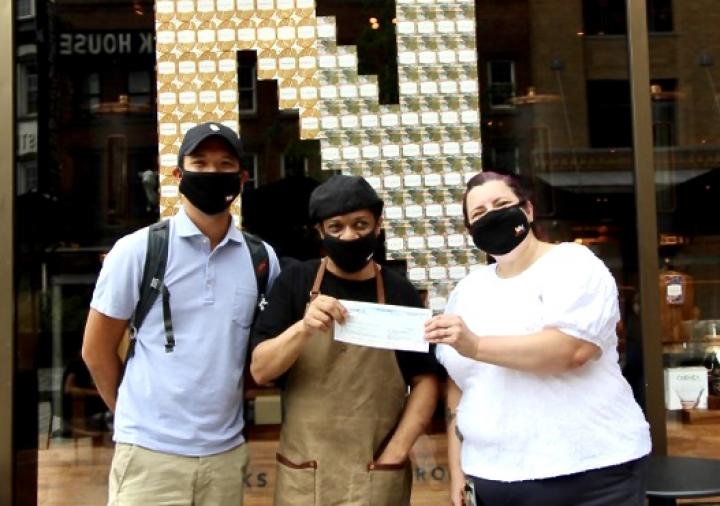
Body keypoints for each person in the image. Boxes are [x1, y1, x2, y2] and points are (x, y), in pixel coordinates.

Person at [82, 122, 280, 506]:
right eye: (200, 163)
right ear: (178, 174)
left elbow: (260, 354)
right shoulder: (138, 250)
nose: (211, 173)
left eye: (224, 164)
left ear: (242, 177)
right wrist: (132, 418)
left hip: (225, 455)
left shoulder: (262, 260)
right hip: (148, 456)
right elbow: (96, 350)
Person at [425, 171, 651, 506]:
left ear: (527, 210)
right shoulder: (467, 291)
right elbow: (460, 386)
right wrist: (458, 469)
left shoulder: (573, 264)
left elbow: (570, 349)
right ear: (471, 230)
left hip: (587, 476)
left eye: (501, 204)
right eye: (479, 213)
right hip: (493, 477)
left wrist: (475, 345)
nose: (492, 216)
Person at [250, 174, 439, 506]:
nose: (349, 235)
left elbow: (424, 380)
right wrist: (302, 328)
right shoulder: (295, 282)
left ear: (378, 226)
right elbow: (261, 370)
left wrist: (395, 453)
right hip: (305, 474)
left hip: (377, 474)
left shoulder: (399, 291)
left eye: (360, 224)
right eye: (336, 227)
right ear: (320, 232)